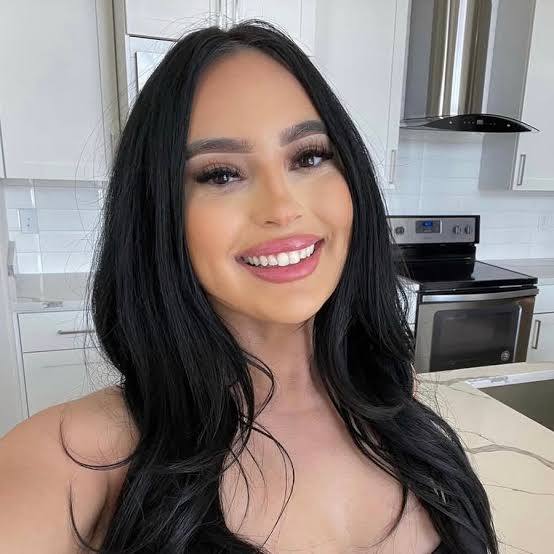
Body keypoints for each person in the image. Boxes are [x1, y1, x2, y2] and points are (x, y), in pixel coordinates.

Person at [0, 20, 499, 553]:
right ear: (157, 213)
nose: (283, 208)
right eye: (220, 174)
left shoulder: (397, 405)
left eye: (309, 156)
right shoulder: (71, 459)